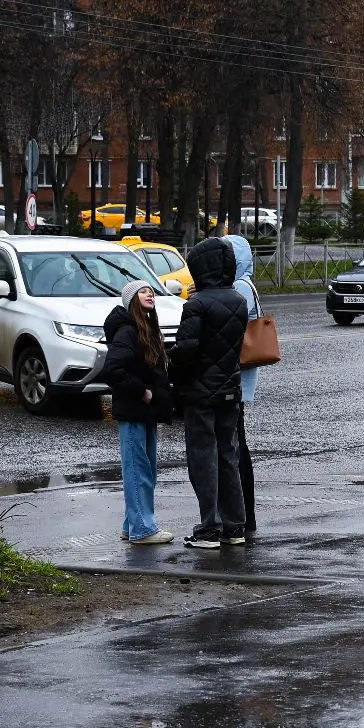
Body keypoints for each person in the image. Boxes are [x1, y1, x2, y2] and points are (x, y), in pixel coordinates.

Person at [169, 237, 250, 547]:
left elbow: (186, 351)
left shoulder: (196, 305)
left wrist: (172, 369)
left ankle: (208, 528)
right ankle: (234, 526)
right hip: (230, 388)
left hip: (200, 394)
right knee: (229, 454)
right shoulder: (238, 300)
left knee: (203, 458)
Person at [102, 280, 175, 545]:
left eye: (151, 291)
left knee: (146, 470)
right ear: (132, 300)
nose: (150, 294)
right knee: (138, 470)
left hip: (146, 412)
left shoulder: (145, 329)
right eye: (143, 292)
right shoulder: (127, 331)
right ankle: (143, 529)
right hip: (134, 410)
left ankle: (131, 525)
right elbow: (112, 369)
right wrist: (141, 391)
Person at [224, 234, 262, 536]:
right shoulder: (245, 283)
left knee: (236, 447)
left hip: (236, 376)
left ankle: (244, 516)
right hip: (241, 376)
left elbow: (229, 325)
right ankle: (245, 515)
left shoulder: (238, 287)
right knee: (238, 445)